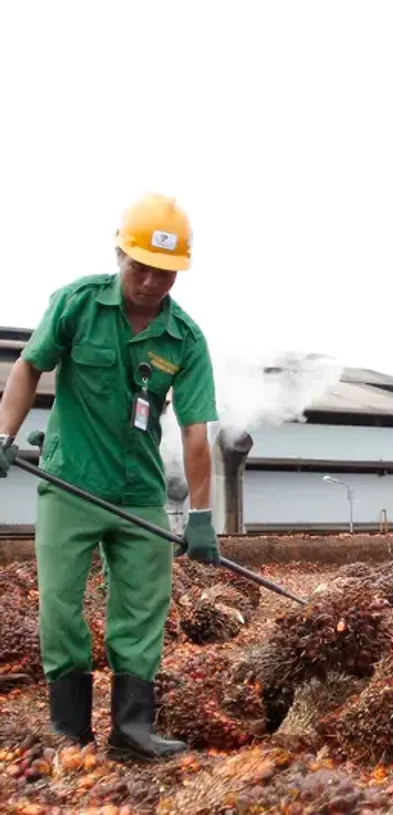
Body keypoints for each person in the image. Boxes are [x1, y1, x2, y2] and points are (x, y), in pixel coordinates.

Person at [0, 193, 222, 761]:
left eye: (164, 272)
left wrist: (200, 516)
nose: (150, 280)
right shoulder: (77, 303)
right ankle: (68, 730)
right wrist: (3, 433)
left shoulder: (186, 340)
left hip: (140, 493)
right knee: (59, 605)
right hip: (71, 482)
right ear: (119, 252)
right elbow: (29, 364)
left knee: (144, 609)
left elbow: (197, 432)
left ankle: (132, 730)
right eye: (139, 265)